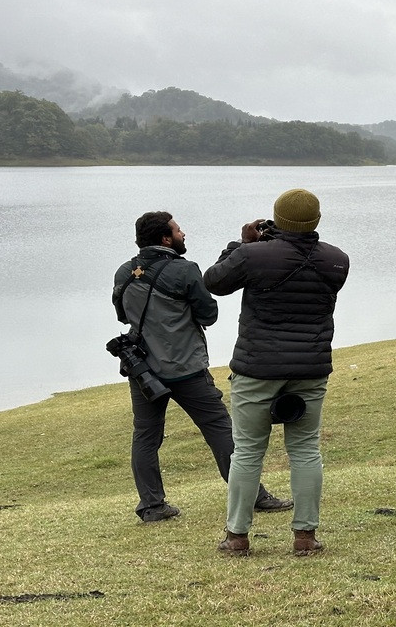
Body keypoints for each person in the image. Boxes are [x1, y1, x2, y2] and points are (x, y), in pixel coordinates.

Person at [112, 212, 292, 522]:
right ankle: (253, 497)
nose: (184, 234)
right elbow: (209, 315)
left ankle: (152, 506)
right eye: (179, 230)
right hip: (187, 368)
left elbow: (123, 316)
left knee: (145, 436)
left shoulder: (125, 272)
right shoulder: (184, 270)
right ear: (166, 239)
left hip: (142, 369)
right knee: (220, 430)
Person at [203, 189, 350, 556]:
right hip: (310, 367)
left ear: (277, 219)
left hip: (257, 367)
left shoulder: (252, 256)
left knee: (249, 451)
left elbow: (214, 282)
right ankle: (305, 536)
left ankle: (237, 537)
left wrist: (240, 244)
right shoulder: (338, 261)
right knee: (304, 450)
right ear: (316, 220)